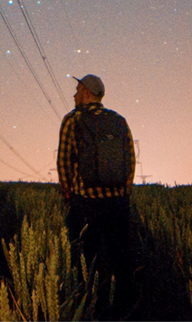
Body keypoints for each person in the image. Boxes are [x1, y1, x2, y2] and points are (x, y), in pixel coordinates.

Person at [57, 72, 136, 307]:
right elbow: (130, 159)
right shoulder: (119, 121)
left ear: (88, 92)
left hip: (85, 202)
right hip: (117, 204)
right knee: (120, 258)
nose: (74, 94)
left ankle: (89, 304)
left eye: (78, 90)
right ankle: (122, 306)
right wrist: (124, 192)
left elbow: (64, 162)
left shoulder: (72, 120)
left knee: (83, 260)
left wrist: (68, 194)